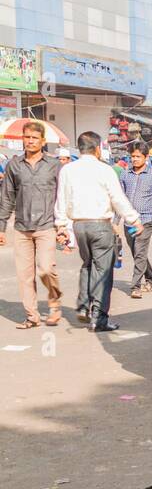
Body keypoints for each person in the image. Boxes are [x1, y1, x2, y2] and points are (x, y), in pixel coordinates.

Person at [55, 131, 141, 332]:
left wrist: (61, 225)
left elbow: (62, 199)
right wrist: (134, 219)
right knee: (103, 271)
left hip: (79, 226)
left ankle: (84, 306)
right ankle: (99, 318)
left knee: (87, 264)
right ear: (96, 149)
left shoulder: (67, 170)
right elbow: (117, 198)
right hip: (100, 225)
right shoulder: (105, 170)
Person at [0, 121, 63, 327]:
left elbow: (62, 196)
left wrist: (64, 226)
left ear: (43, 141)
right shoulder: (14, 166)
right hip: (21, 228)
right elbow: (7, 197)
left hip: (46, 227)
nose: (30, 141)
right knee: (25, 276)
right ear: (22, 139)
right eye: (27, 137)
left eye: (34, 138)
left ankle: (54, 305)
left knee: (45, 269)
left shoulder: (54, 166)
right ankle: (32, 316)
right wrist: (1, 227)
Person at [120, 140, 152, 298]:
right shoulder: (125, 175)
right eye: (132, 156)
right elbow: (119, 200)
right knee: (137, 253)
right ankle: (151, 278)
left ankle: (135, 286)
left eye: (138, 156)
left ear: (146, 157)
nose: (134, 159)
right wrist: (114, 222)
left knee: (140, 252)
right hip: (129, 222)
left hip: (146, 221)